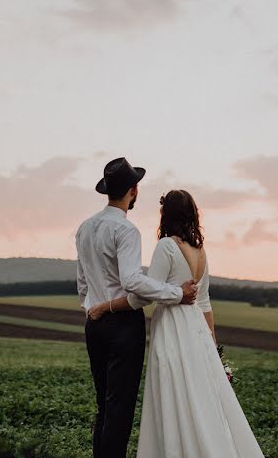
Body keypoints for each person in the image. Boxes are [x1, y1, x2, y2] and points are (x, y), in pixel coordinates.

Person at [87, 189, 265, 458]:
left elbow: (141, 297)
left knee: (171, 399)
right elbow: (205, 305)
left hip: (171, 330)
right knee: (199, 400)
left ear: (165, 214)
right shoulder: (201, 252)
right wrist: (214, 350)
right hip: (197, 335)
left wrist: (105, 306)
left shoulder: (167, 246)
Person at [76, 157, 199, 458]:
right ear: (133, 191)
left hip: (94, 323)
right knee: (120, 409)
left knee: (104, 406)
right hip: (123, 326)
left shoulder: (84, 228)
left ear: (107, 190)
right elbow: (132, 281)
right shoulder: (126, 231)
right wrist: (175, 293)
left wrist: (92, 308)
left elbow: (82, 282)